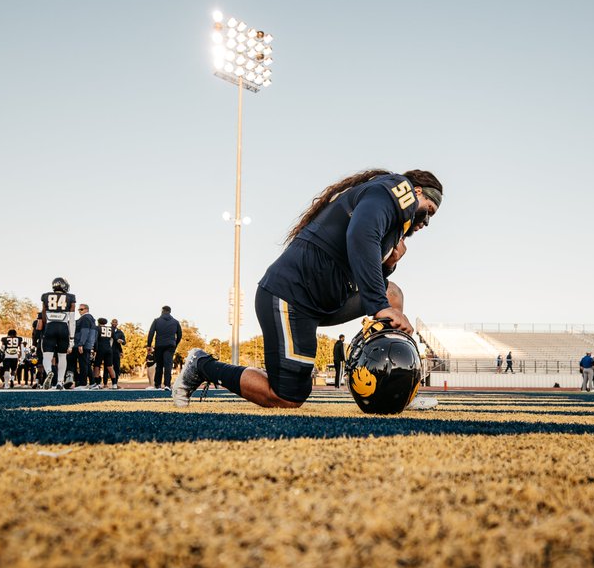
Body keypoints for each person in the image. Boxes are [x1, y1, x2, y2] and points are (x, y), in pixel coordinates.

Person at [173, 168, 442, 410]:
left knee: (392, 293)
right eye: (429, 210)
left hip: (325, 298)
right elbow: (361, 235)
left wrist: (389, 265)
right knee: (287, 397)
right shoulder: (397, 190)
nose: (426, 222)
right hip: (290, 297)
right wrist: (379, 306)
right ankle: (201, 365)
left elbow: (357, 260)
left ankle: (395, 387)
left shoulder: (392, 225)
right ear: (416, 191)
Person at [38, 277, 75, 389]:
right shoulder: (70, 297)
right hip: (63, 326)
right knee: (62, 356)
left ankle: (49, 371)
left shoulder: (45, 296)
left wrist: (47, 325)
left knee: (47, 355)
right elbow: (72, 320)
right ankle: (60, 382)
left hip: (50, 326)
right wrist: (72, 338)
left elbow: (43, 313)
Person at [147, 305, 182, 390]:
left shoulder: (156, 321)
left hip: (159, 345)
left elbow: (151, 333)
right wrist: (175, 344)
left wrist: (149, 345)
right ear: (170, 311)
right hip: (170, 345)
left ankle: (158, 385)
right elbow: (180, 335)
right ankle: (167, 385)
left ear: (162, 311)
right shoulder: (176, 322)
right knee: (168, 365)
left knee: (159, 365)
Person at [72, 303, 97, 389]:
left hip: (83, 344)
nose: (79, 311)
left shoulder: (85, 318)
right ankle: (92, 383)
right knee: (86, 364)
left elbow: (85, 331)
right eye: (79, 309)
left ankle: (83, 384)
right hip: (88, 344)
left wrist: (81, 344)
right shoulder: (91, 319)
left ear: (86, 309)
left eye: (81, 309)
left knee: (83, 364)